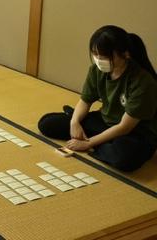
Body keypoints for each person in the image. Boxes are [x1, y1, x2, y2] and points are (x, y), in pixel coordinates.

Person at [38, 25, 157, 172]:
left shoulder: (143, 82)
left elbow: (125, 127)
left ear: (125, 54)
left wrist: (88, 144)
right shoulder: (97, 70)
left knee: (124, 159)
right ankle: (100, 142)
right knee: (47, 123)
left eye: (105, 56)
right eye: (96, 54)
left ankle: (96, 142)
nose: (99, 60)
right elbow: (85, 100)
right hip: (104, 122)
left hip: (134, 132)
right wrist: (75, 122)